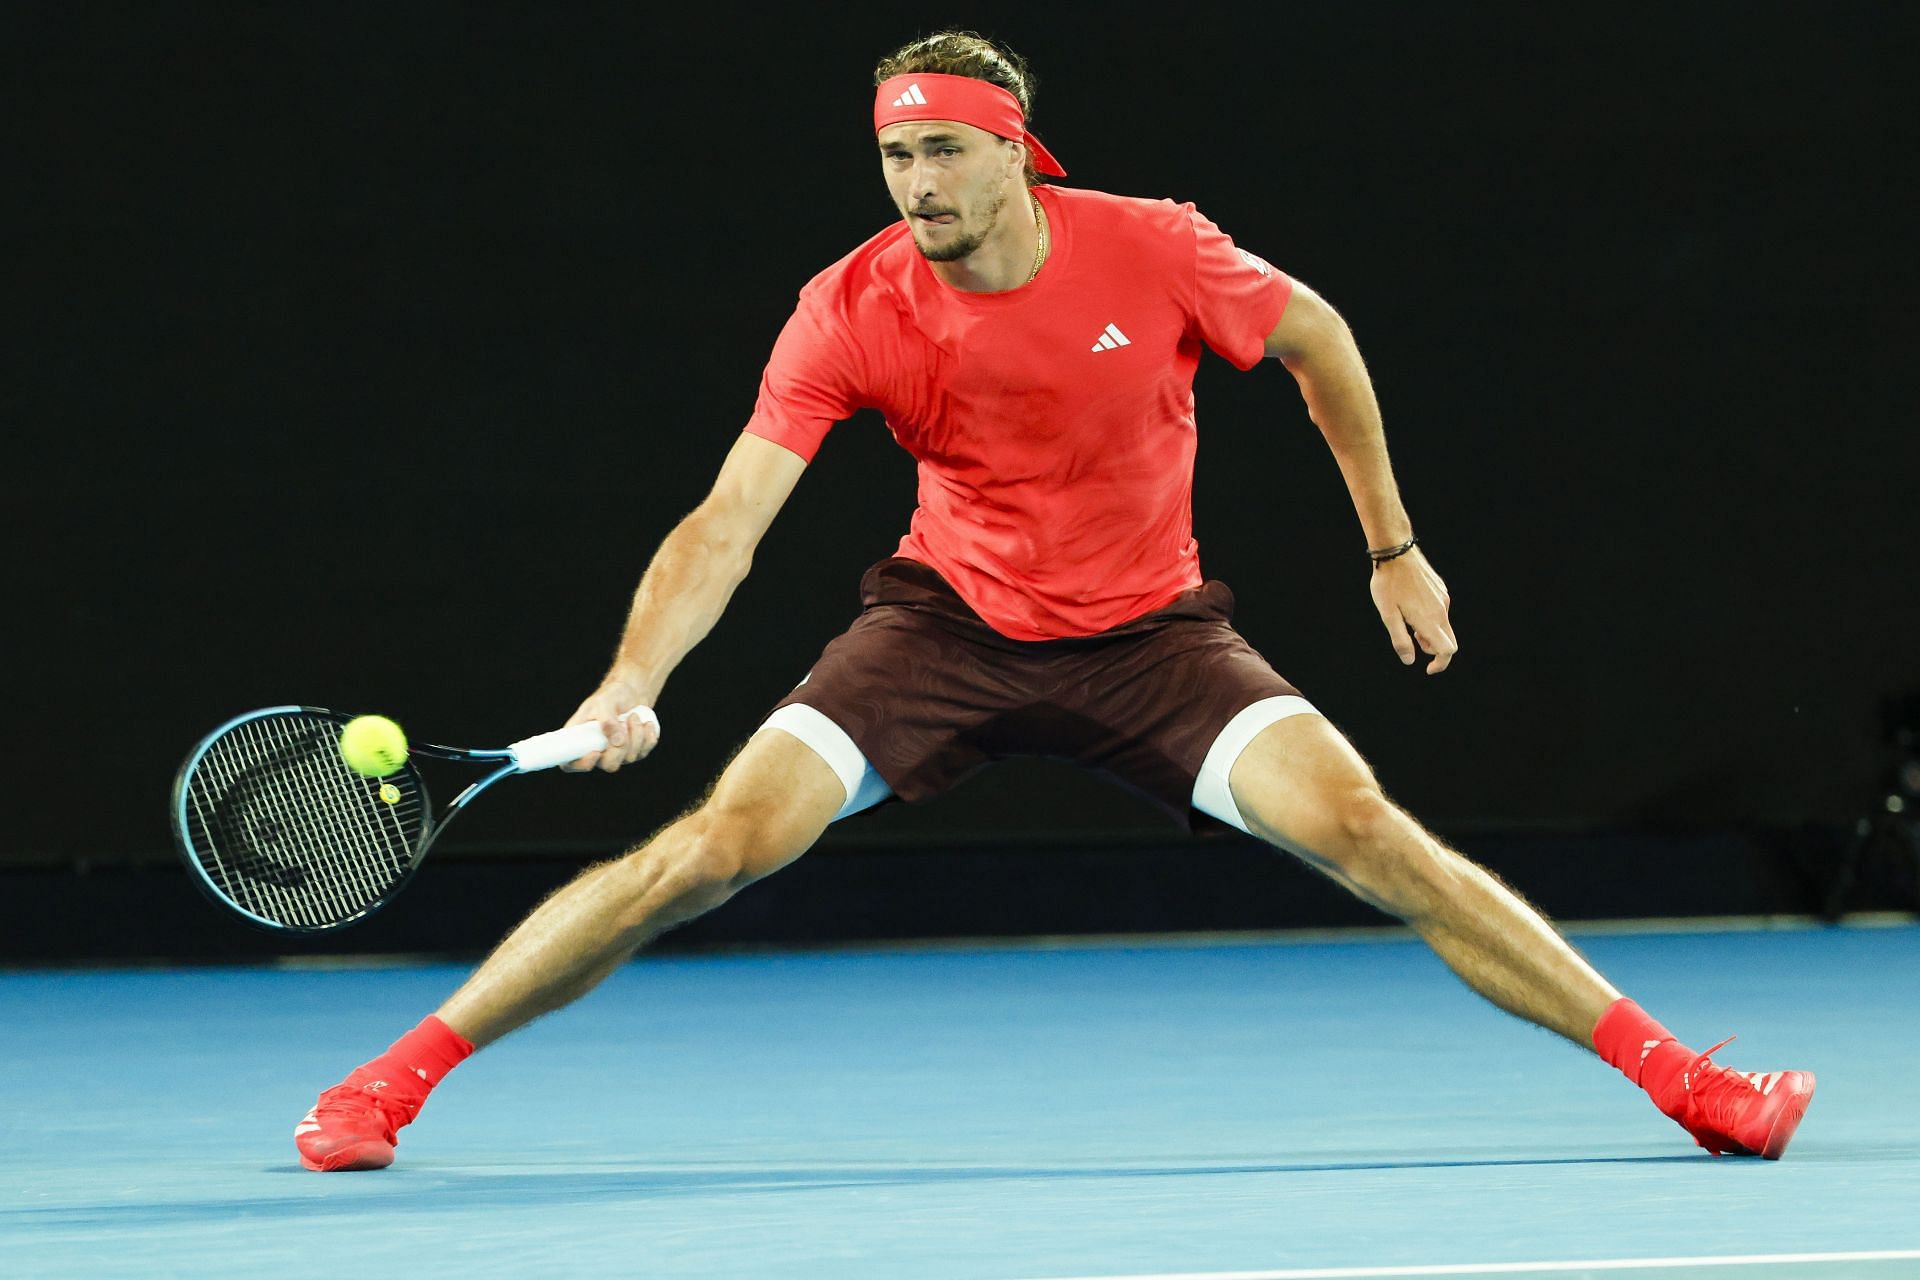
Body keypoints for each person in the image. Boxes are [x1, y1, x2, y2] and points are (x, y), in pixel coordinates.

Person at [294, 31, 1815, 1172]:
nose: (918, 186)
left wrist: (1390, 546)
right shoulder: (852, 303)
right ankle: (390, 1084)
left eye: (945, 153)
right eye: (896, 159)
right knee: (708, 849)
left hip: (1154, 641)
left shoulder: (1153, 247)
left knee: (1372, 838)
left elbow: (1320, 340)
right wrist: (632, 680)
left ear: (1020, 151)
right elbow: (727, 520)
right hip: (942, 631)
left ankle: (1687, 1081)